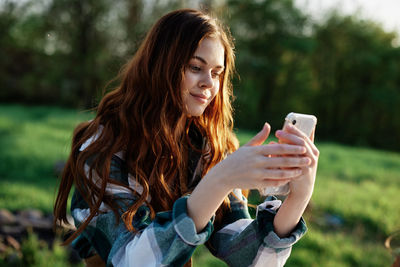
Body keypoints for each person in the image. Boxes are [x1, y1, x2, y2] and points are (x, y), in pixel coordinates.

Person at [53, 8, 319, 267]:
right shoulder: (104, 146)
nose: (208, 83)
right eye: (195, 67)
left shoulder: (208, 146)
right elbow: (132, 259)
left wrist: (298, 198)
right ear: (160, 64)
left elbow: (247, 257)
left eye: (217, 73)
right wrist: (219, 180)